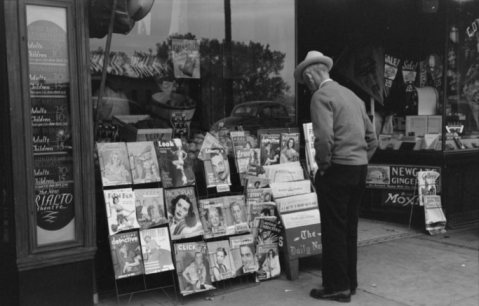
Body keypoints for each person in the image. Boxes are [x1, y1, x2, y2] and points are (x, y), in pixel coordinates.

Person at [294, 51, 377, 303]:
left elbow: (324, 138)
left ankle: (336, 287)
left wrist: (323, 166)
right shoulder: (353, 96)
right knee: (349, 227)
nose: (307, 87)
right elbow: (372, 139)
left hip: (337, 170)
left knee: (333, 230)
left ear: (310, 76)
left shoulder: (321, 96)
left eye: (306, 82)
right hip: (358, 169)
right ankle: (349, 283)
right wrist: (359, 160)